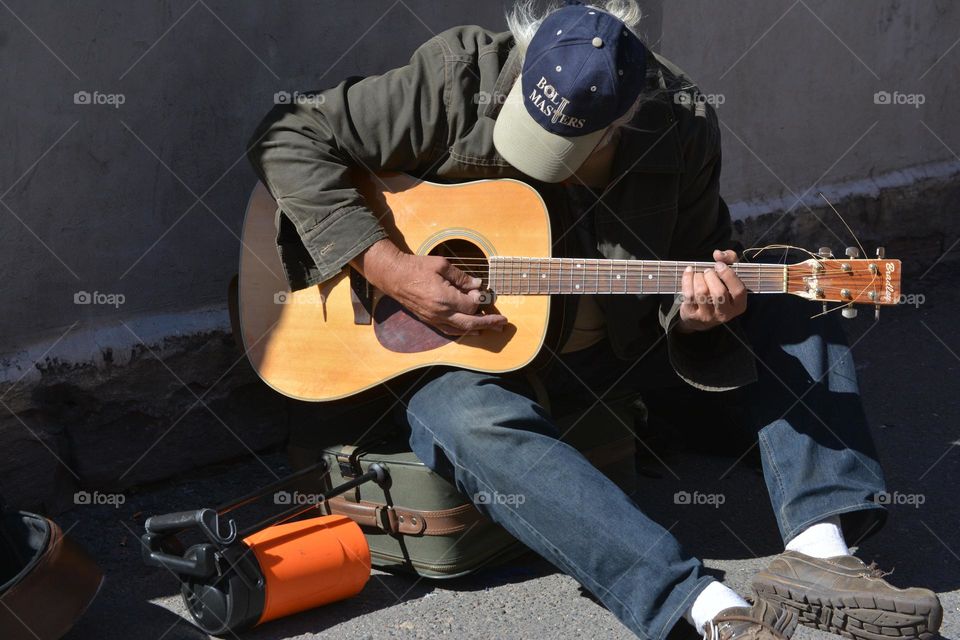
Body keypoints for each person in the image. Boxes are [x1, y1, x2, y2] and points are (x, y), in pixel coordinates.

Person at [247, 2, 943, 639]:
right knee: (457, 419)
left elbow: (693, 263)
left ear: (628, 114)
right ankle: (702, 608)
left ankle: (819, 552)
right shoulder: (459, 77)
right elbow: (288, 135)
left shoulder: (682, 121)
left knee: (790, 299)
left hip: (618, 352)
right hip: (480, 367)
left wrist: (700, 319)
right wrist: (388, 266)